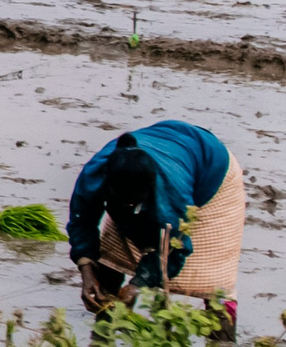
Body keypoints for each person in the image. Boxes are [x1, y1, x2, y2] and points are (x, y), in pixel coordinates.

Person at [67, 121, 244, 334]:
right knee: (110, 261)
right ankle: (103, 338)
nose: (129, 207)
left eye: (135, 203)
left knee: (213, 284)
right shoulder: (96, 173)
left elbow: (176, 250)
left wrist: (138, 284)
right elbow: (81, 219)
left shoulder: (172, 194)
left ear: (150, 189)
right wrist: (86, 270)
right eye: (124, 202)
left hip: (211, 174)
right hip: (154, 162)